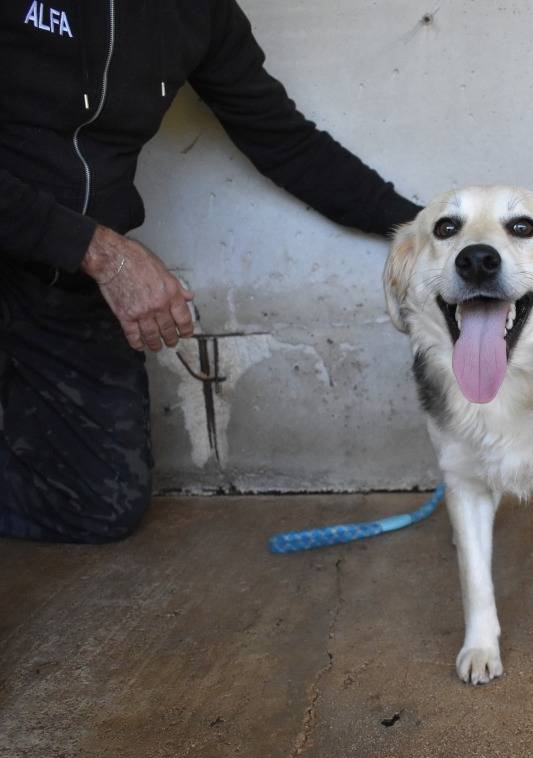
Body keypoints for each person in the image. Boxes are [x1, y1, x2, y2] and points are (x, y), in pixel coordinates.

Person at [0, 0, 421, 544]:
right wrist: (99, 251)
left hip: (60, 276)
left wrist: (429, 230)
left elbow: (282, 138)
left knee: (99, 504)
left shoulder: (199, 12)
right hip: (53, 244)